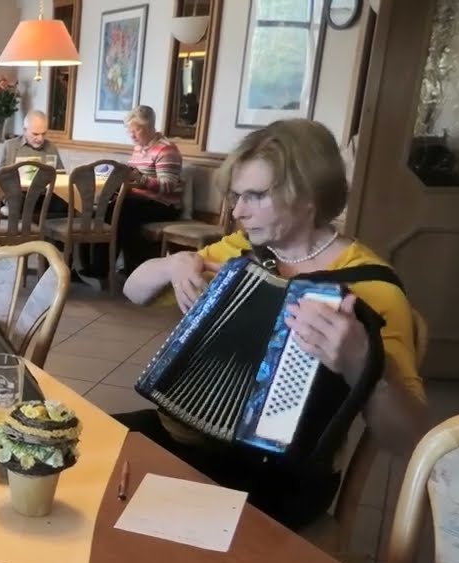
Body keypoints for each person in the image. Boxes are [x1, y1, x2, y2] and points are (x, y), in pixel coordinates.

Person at [120, 118, 428, 530]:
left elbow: (407, 437)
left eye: (256, 196)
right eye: (236, 195)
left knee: (142, 523)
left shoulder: (372, 287)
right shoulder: (242, 250)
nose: (237, 211)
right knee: (85, 452)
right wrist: (171, 265)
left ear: (308, 196)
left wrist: (362, 363)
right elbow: (133, 291)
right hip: (185, 439)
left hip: (280, 478)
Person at [87, 105, 184, 278]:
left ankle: (112, 267)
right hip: (140, 200)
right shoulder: (139, 147)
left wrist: (140, 179)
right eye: (129, 130)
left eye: (136, 130)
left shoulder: (166, 149)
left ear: (150, 127)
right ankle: (102, 265)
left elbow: (168, 186)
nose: (132, 135)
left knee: (122, 210)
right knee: (108, 205)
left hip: (164, 205)